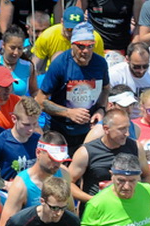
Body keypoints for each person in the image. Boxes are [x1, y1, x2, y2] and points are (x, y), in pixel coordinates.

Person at [37, 23, 111, 152]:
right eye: (81, 46)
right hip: (60, 129)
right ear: (72, 45)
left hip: (88, 130)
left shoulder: (100, 63)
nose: (86, 51)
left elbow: (105, 88)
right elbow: (40, 101)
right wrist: (69, 113)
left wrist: (101, 109)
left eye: (90, 46)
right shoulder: (60, 64)